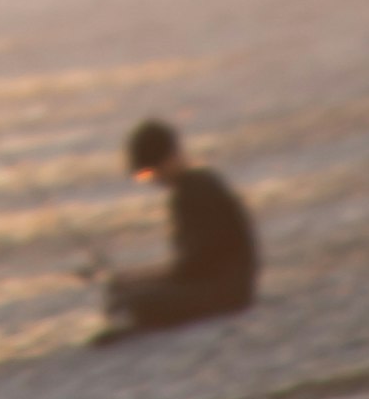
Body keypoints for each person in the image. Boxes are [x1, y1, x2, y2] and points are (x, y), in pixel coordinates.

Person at [93, 116, 255, 340]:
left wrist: (142, 280)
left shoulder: (195, 193)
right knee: (125, 291)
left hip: (225, 292)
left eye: (148, 173)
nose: (150, 181)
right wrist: (137, 279)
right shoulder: (195, 187)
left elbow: (195, 266)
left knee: (135, 298)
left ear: (168, 159)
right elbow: (191, 265)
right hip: (222, 286)